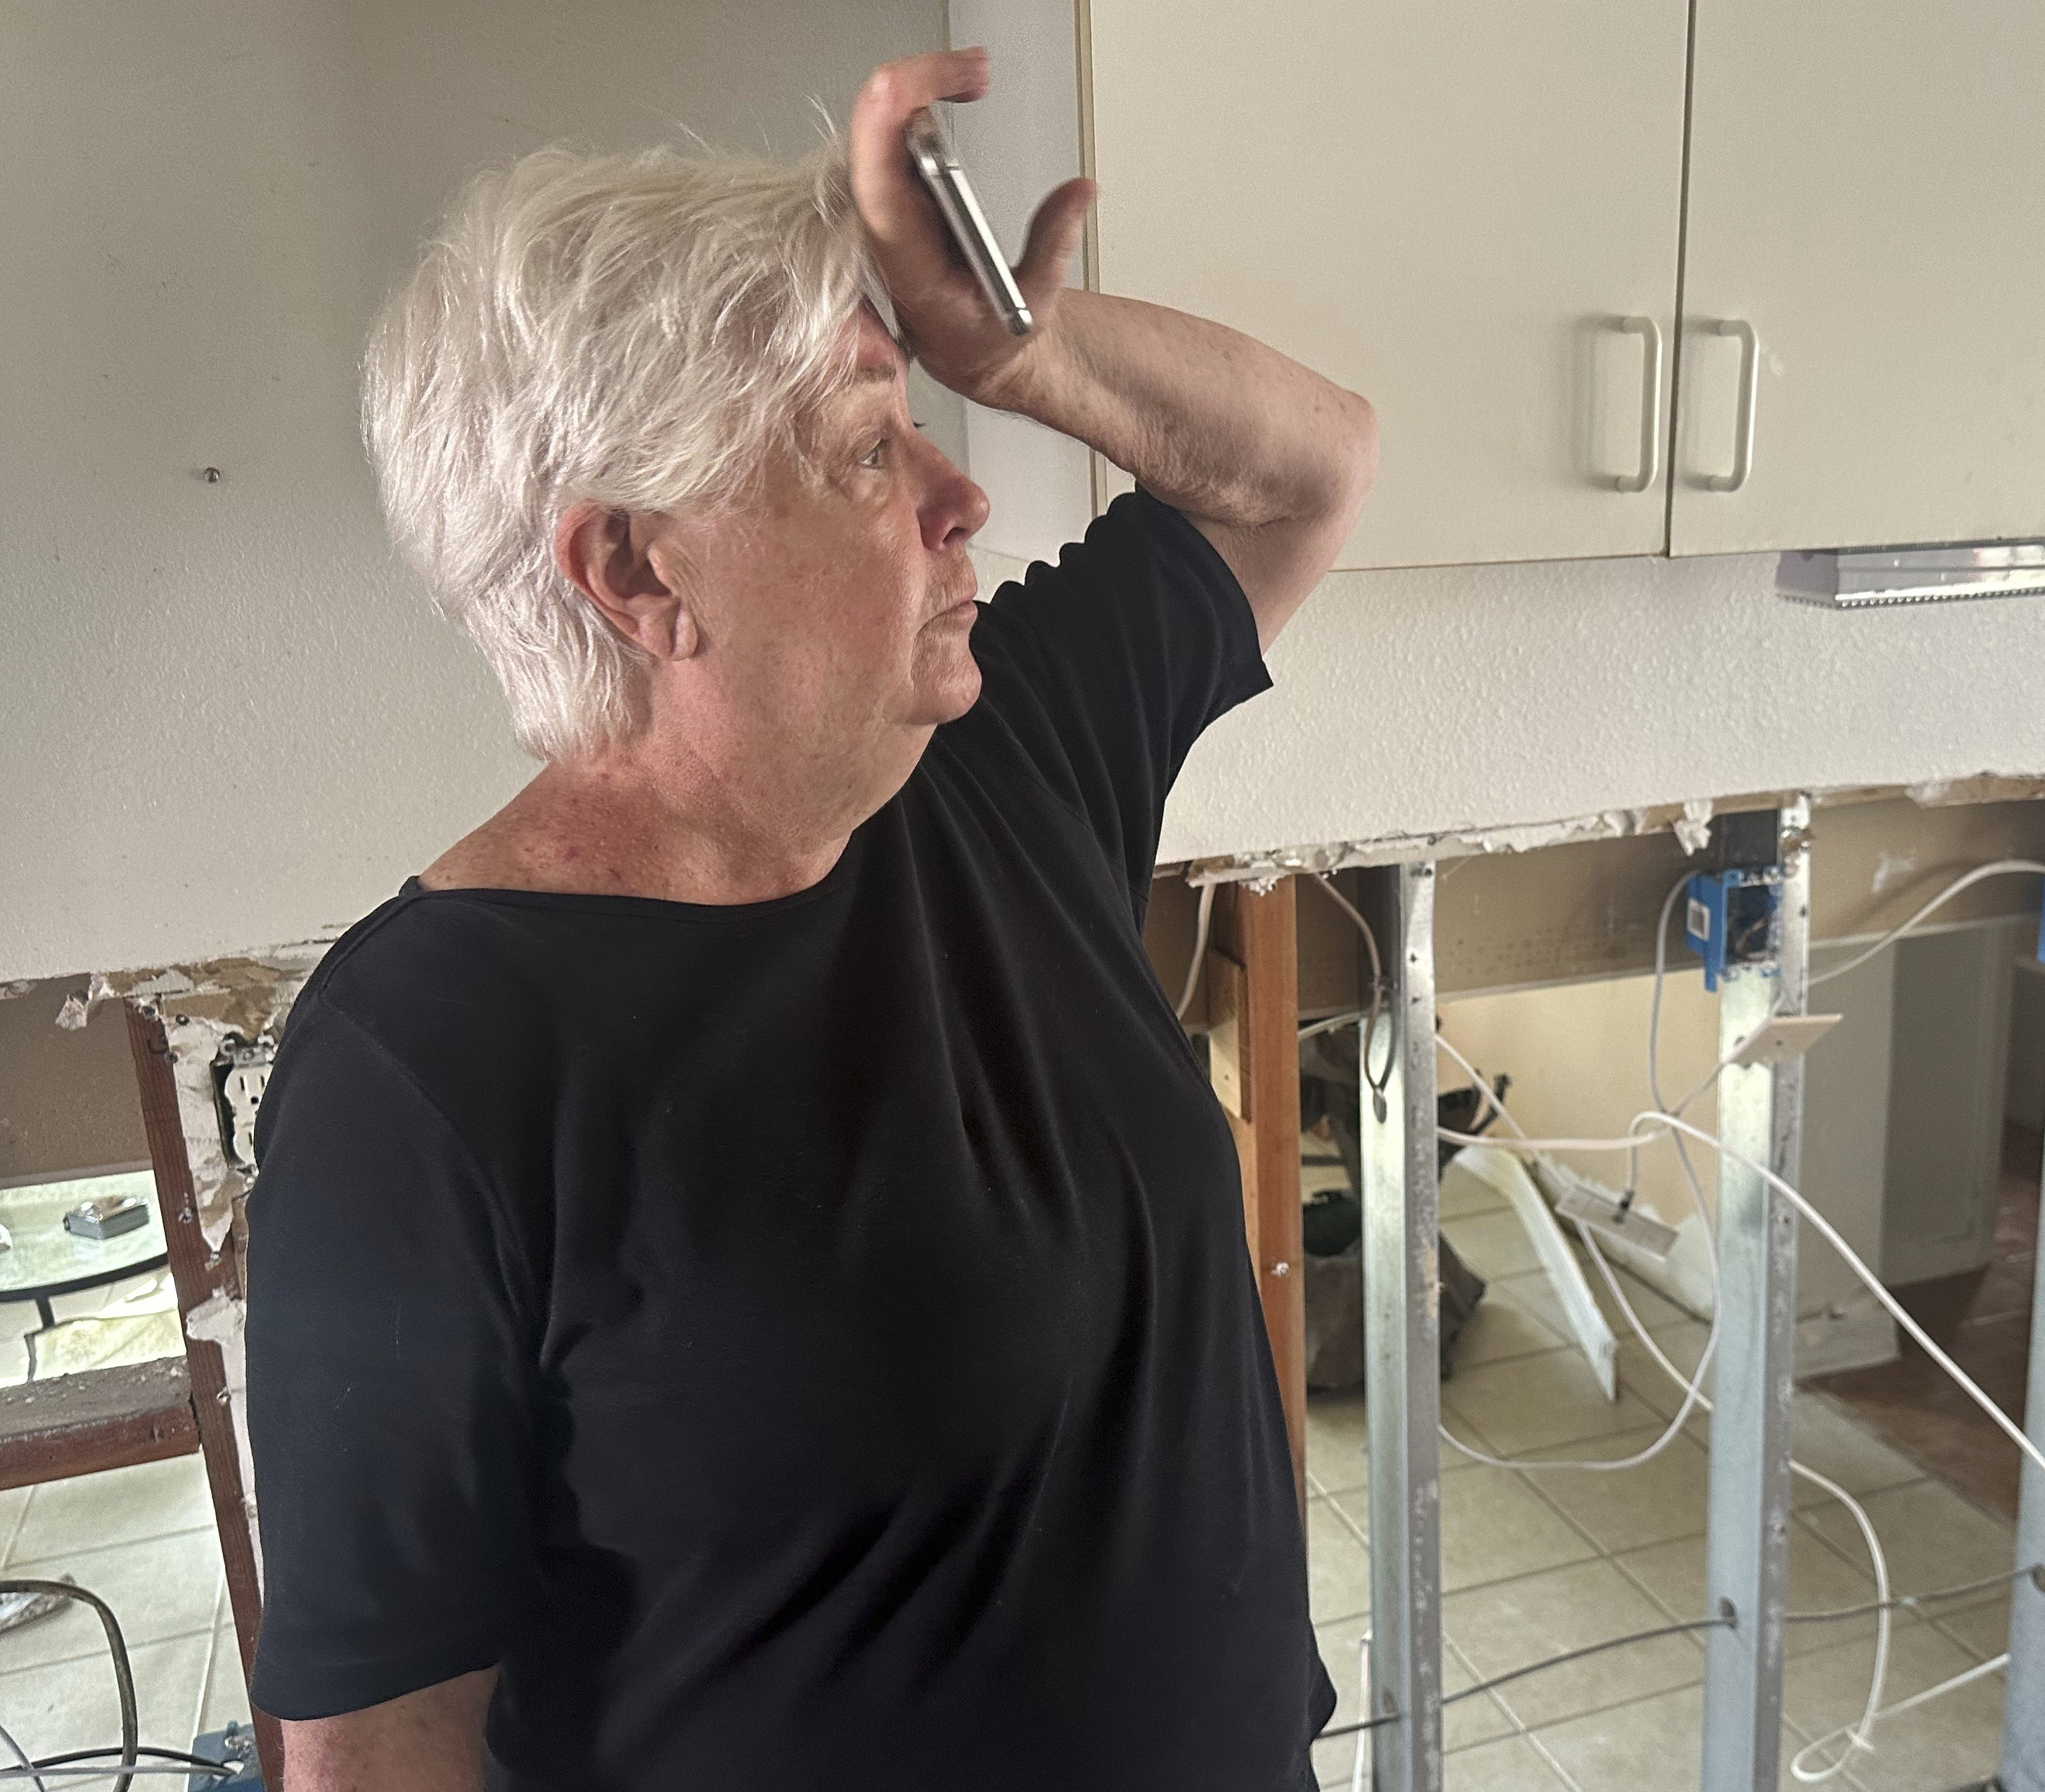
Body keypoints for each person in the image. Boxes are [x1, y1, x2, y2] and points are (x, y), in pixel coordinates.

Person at [242, 48, 1377, 1792]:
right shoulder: (424, 1067)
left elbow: (1307, 470)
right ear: (635, 574)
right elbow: (378, 1736)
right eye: (865, 448)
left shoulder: (1005, 758)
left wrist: (1020, 348)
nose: (961, 488)